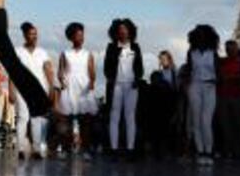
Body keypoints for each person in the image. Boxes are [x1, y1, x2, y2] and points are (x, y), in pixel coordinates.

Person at [12, 22, 54, 160]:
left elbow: (48, 70)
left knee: (37, 118)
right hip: (22, 88)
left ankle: (36, 149)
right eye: (31, 34)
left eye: (35, 34)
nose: (34, 37)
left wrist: (51, 88)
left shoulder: (42, 52)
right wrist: (11, 90)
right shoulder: (18, 51)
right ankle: (20, 149)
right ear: (25, 35)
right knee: (23, 118)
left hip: (39, 89)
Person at [56, 23, 98, 159]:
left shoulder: (88, 54)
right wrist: (62, 81)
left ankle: (85, 150)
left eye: (82, 34)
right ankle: (66, 149)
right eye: (78, 35)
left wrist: (91, 82)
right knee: (65, 122)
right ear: (71, 37)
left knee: (85, 121)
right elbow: (60, 71)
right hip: (69, 88)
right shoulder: (65, 53)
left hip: (84, 89)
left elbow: (92, 72)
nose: (81, 37)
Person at [104, 18, 143, 159]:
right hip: (116, 85)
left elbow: (139, 67)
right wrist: (111, 79)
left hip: (131, 86)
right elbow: (107, 67)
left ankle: (130, 149)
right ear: (116, 32)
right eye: (120, 30)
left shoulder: (135, 47)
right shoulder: (112, 47)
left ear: (130, 31)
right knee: (114, 117)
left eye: (125, 29)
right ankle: (114, 149)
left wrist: (137, 79)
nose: (123, 32)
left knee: (130, 117)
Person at [186, 24, 220, 166]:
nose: (200, 37)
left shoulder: (213, 53)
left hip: (210, 86)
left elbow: (219, 72)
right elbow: (189, 70)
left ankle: (208, 150)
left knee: (206, 120)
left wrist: (216, 79)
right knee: (196, 119)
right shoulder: (191, 52)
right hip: (195, 85)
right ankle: (201, 151)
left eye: (202, 35)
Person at [215, 40, 240, 161]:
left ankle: (239, 151)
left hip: (236, 97)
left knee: (239, 125)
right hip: (224, 97)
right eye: (228, 49)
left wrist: (229, 78)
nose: (229, 51)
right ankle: (230, 151)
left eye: (231, 49)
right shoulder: (222, 63)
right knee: (226, 126)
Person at [149, 50, 181, 159]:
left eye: (164, 59)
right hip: (160, 104)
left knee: (171, 128)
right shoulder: (159, 74)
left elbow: (177, 88)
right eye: (161, 59)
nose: (162, 61)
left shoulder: (175, 72)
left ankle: (171, 150)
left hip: (171, 102)